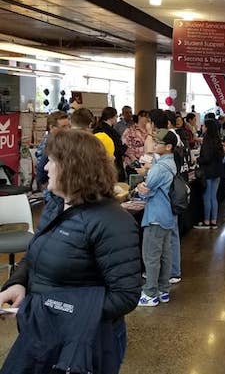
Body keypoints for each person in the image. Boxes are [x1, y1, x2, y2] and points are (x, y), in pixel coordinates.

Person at [0, 129, 141, 373]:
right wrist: (18, 283)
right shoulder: (56, 205)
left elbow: (125, 296)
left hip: (84, 344)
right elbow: (34, 254)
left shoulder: (113, 222)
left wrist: (51, 310)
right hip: (45, 333)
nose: (45, 168)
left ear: (73, 167)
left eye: (52, 161)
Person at [136, 129, 178, 307]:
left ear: (168, 147)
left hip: (155, 216)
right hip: (167, 215)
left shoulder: (159, 168)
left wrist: (140, 188)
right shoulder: (170, 163)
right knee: (165, 255)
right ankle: (163, 290)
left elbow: (146, 190)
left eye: (158, 143)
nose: (154, 145)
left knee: (151, 255)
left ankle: (150, 293)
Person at [197, 119, 224, 228]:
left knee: (207, 196)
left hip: (208, 172)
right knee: (213, 196)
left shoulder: (207, 141)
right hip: (217, 171)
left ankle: (206, 221)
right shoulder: (217, 140)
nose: (202, 127)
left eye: (203, 126)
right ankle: (214, 220)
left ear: (207, 128)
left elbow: (206, 158)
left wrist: (198, 159)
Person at [35, 110, 70, 189]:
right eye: (63, 127)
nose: (68, 130)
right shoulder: (49, 144)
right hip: (51, 185)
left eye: (69, 126)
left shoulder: (60, 141)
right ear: (52, 127)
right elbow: (41, 169)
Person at [93, 107, 128, 182]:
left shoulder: (97, 128)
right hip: (113, 163)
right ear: (111, 117)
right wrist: (125, 147)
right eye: (116, 116)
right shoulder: (110, 131)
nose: (116, 119)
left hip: (100, 163)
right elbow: (117, 149)